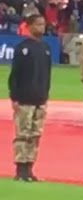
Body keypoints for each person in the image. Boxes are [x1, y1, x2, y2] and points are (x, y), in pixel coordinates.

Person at [8, 14, 52, 182]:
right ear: (29, 26)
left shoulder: (46, 48)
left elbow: (47, 75)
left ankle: (30, 167)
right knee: (22, 133)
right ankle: (20, 169)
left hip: (40, 99)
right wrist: (14, 97)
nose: (42, 27)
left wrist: (46, 94)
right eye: (38, 24)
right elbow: (15, 75)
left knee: (35, 135)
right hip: (25, 99)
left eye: (43, 24)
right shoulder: (22, 48)